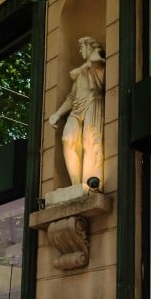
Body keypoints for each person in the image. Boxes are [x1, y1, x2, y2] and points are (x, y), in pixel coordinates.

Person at [48, 36, 106, 191]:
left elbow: (96, 61)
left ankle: (89, 185)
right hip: (76, 108)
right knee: (67, 139)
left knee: (90, 142)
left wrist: (95, 52)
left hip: (93, 103)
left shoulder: (96, 64)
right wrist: (58, 114)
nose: (80, 51)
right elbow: (71, 97)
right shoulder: (81, 72)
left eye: (82, 47)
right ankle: (75, 186)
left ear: (89, 47)